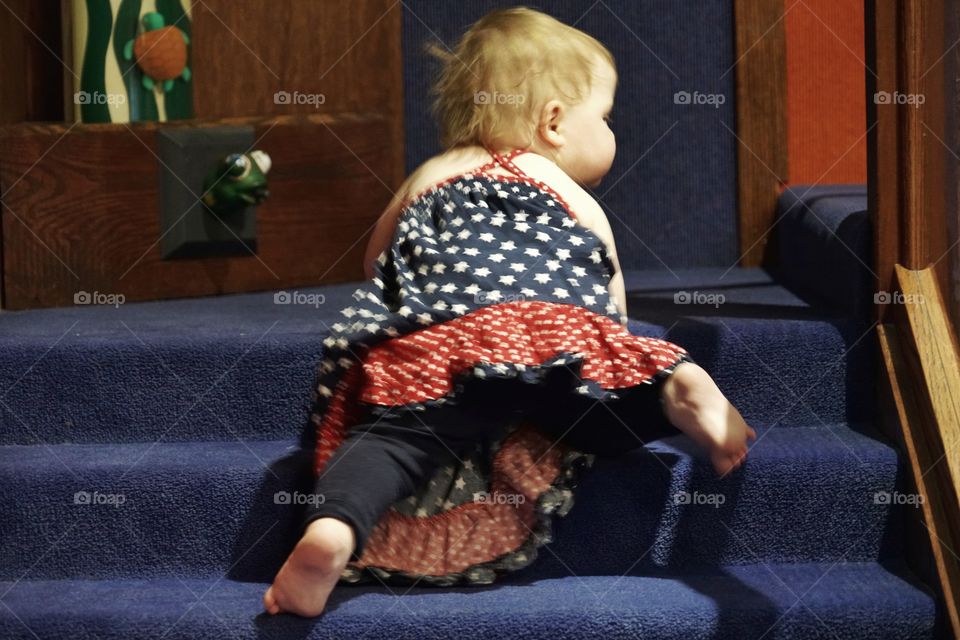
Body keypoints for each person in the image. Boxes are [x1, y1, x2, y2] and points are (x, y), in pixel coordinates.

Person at [264, 6, 756, 618]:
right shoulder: (569, 193)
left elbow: (378, 261)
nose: (611, 131)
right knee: (594, 409)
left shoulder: (433, 173)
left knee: (393, 440)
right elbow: (608, 300)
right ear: (554, 122)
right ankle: (675, 389)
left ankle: (334, 529)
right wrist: (618, 349)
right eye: (605, 117)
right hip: (552, 335)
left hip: (446, 340)